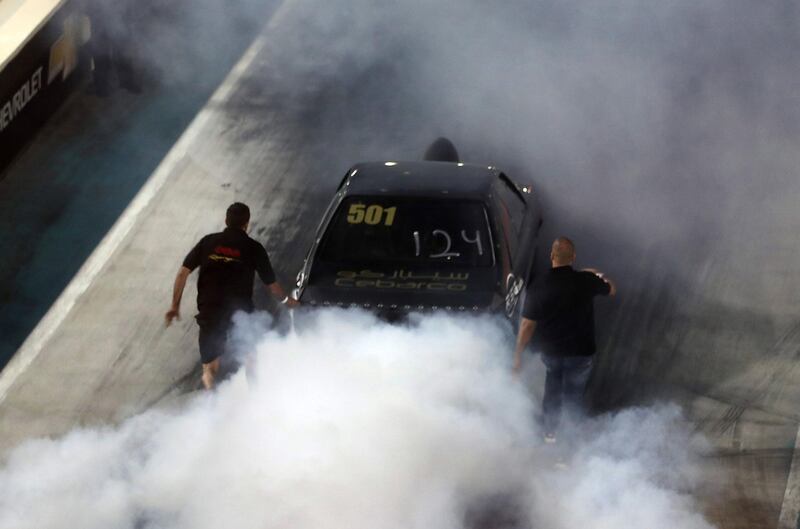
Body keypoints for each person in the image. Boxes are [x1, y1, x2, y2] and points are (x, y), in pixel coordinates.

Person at [165, 203, 299, 389]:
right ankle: (255, 398)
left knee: (209, 367)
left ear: (226, 221)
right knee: (250, 357)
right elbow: (273, 287)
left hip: (210, 311)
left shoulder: (208, 242)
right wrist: (288, 301)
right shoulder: (254, 248)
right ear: (247, 223)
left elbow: (182, 273)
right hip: (240, 313)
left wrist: (174, 306)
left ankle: (212, 405)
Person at [513, 237, 616, 442]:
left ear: (552, 256)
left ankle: (549, 433)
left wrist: (518, 355)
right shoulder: (586, 280)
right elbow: (611, 289)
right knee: (574, 393)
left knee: (552, 389)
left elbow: (527, 324)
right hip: (581, 352)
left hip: (552, 352)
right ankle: (570, 437)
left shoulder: (539, 285)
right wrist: (597, 274)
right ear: (573, 257)